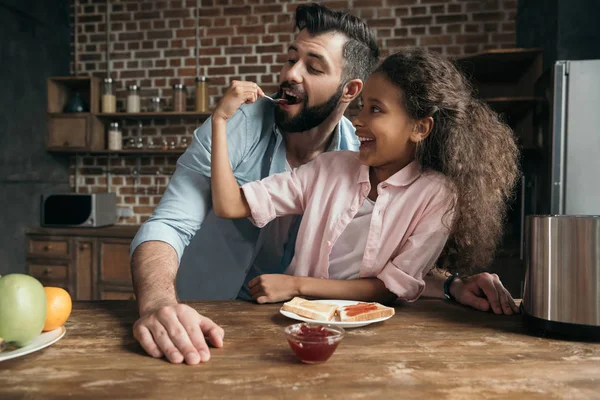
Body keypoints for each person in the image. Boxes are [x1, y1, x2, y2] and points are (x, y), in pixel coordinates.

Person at [130, 3, 519, 365]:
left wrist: (451, 286)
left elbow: (381, 267)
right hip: (203, 316)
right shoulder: (240, 127)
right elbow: (170, 223)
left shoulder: (362, 156)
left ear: (350, 90)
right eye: (290, 59)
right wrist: (157, 304)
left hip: (304, 327)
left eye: (313, 67)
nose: (289, 74)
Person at [209, 48, 520, 305]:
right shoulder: (327, 169)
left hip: (373, 327)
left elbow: (390, 287)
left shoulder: (438, 195)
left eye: (375, 109)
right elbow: (229, 205)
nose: (357, 119)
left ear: (419, 128)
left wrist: (297, 285)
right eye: (361, 107)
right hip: (298, 320)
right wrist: (221, 121)